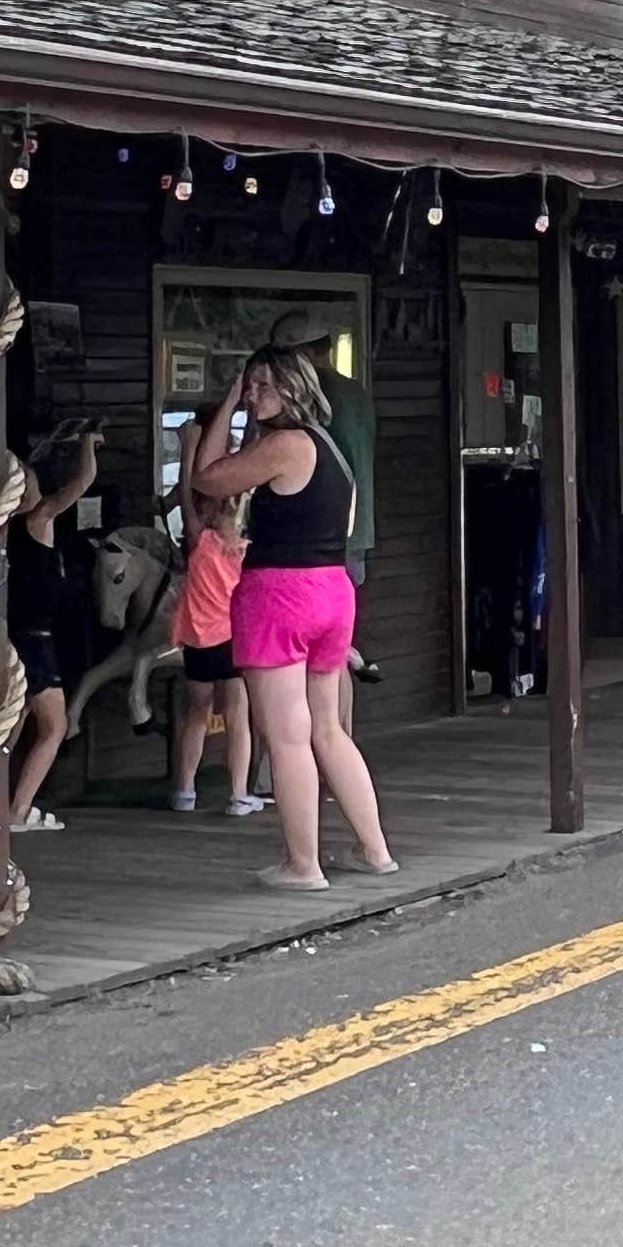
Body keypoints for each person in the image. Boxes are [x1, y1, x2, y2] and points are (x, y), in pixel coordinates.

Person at [181, 345, 394, 893]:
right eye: (248, 386)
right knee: (327, 726)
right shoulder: (331, 447)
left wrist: (224, 408)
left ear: (291, 387)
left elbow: (207, 479)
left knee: (288, 735)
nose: (253, 394)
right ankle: (374, 850)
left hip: (280, 595)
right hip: (333, 591)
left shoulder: (284, 444)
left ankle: (304, 864)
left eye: (261, 385)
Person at [1, 427, 101, 836]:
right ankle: (18, 810)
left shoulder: (3, 529)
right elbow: (82, 483)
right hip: (35, 640)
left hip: (20, 635)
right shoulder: (38, 517)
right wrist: (88, 446)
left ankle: (2, 804)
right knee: (54, 727)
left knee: (17, 723)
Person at [164, 455, 261, 818]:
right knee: (238, 714)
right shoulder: (247, 552)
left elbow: (188, 498)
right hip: (234, 638)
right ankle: (238, 795)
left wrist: (189, 448)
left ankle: (184, 791)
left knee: (196, 713)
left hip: (197, 640)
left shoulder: (199, 542)